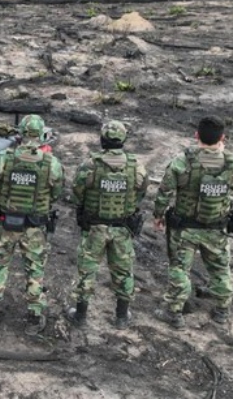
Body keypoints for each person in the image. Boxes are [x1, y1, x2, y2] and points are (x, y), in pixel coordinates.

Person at [153, 116, 233, 329]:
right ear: (223, 138)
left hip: (184, 228)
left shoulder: (182, 161)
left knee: (179, 268)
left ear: (196, 135)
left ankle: (174, 312)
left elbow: (165, 190)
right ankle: (222, 310)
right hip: (216, 227)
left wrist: (158, 215)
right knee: (220, 268)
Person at [0, 114, 64, 335]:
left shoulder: (4, 158)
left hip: (6, 223)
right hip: (35, 227)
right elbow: (56, 193)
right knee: (35, 271)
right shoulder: (51, 163)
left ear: (22, 133)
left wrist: (4, 202)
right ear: (41, 134)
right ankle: (34, 318)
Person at [65, 120, 148, 330]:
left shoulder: (89, 165)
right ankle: (121, 317)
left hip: (94, 227)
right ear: (123, 140)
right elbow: (141, 193)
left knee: (87, 270)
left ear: (102, 140)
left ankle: (81, 316)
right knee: (123, 271)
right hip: (123, 228)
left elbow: (77, 192)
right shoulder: (136, 166)